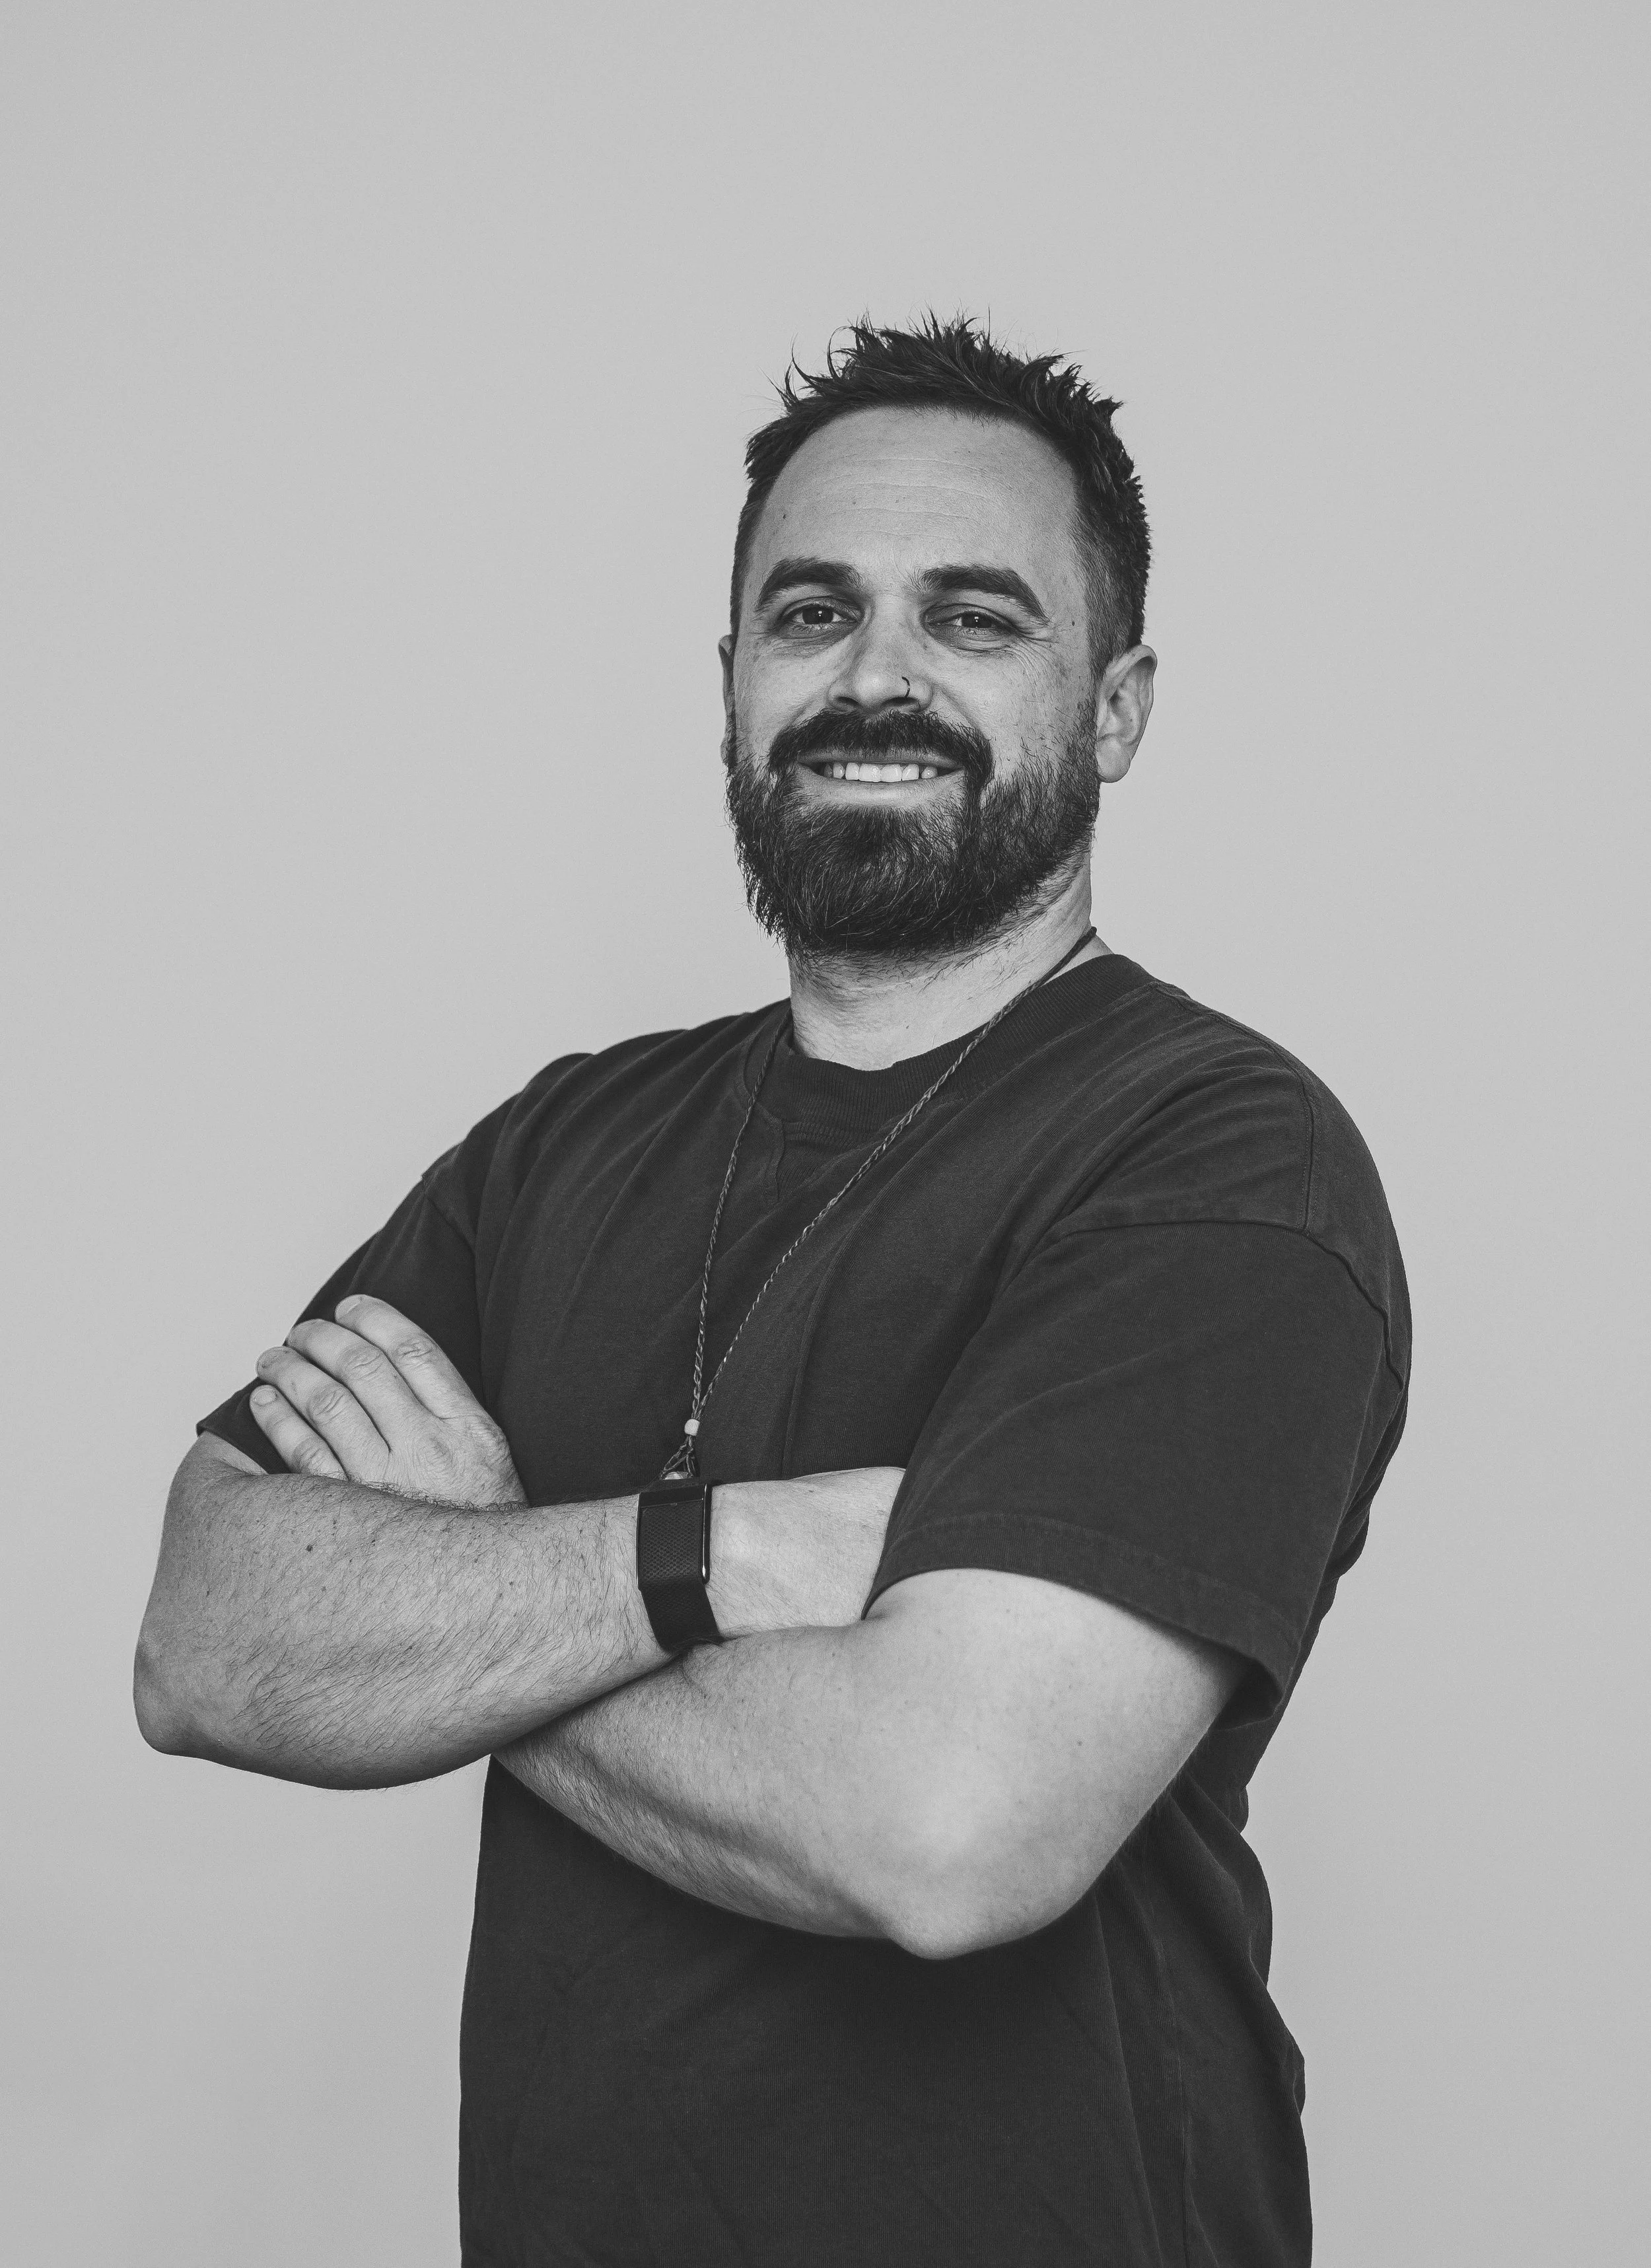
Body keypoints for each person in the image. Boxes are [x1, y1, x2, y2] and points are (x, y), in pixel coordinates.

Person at [135, 316, 1410, 2267]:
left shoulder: (1219, 1163)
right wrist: (708, 1554)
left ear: (1117, 707)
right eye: (810, 614)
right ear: (730, 681)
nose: (875, 674)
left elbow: (945, 1830)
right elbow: (206, 1639)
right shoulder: (556, 1150)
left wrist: (471, 1584)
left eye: (973, 618)